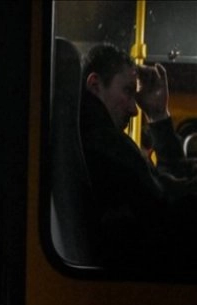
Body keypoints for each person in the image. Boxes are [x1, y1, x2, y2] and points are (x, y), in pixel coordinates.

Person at [79, 43, 197, 267]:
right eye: (128, 91)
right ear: (95, 85)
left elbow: (160, 193)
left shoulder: (94, 138)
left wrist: (158, 115)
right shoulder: (103, 145)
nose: (135, 109)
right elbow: (167, 210)